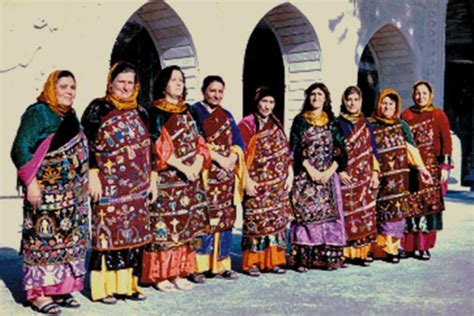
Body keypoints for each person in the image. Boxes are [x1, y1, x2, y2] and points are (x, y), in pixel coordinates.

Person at [11, 70, 88, 314]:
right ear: (52, 89)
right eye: (63, 86)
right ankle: (38, 294)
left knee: (66, 239)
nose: (69, 91)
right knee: (42, 240)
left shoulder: (71, 116)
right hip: (44, 191)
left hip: (70, 194)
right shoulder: (39, 112)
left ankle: (60, 289)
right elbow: (20, 148)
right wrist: (31, 182)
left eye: (72, 87)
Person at [82, 62, 155, 304]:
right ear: (111, 83)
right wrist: (92, 173)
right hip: (108, 184)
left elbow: (150, 148)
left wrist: (152, 179)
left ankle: (128, 285)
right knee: (107, 234)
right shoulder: (98, 108)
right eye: (120, 82)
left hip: (137, 185)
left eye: (130, 82)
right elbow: (87, 143)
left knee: (134, 235)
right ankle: (105, 288)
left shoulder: (141, 111)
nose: (125, 87)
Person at [141, 65, 210, 292]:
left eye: (181, 80)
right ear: (163, 84)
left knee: (185, 228)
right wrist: (181, 165)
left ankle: (180, 271)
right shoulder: (156, 112)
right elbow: (157, 144)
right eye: (173, 80)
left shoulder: (188, 111)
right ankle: (161, 275)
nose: (178, 84)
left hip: (190, 179)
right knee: (164, 228)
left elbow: (201, 140)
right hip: (168, 177)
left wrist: (197, 165)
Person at [189, 76, 245, 282]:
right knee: (203, 219)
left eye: (220, 91)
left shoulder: (227, 115)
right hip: (205, 175)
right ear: (204, 91)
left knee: (225, 220)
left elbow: (238, 142)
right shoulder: (194, 112)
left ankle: (222, 264)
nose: (217, 95)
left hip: (226, 177)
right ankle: (198, 266)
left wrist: (230, 161)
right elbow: (195, 141)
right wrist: (219, 160)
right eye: (212, 91)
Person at [288, 83, 348, 272]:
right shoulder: (300, 121)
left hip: (329, 176)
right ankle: (304, 259)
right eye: (312, 94)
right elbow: (295, 149)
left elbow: (341, 150)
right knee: (305, 216)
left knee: (329, 218)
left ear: (326, 98)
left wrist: (329, 171)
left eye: (319, 94)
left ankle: (327, 258)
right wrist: (310, 170)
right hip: (306, 175)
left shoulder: (333, 121)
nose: (315, 97)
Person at [368, 89, 432, 263]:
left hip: (398, 179)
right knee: (376, 212)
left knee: (396, 213)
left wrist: (421, 168)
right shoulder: (370, 125)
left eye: (391, 103)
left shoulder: (401, 125)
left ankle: (392, 249)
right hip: (378, 176)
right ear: (378, 104)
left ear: (396, 106)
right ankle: (377, 248)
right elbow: (367, 151)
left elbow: (411, 149)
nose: (387, 107)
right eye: (384, 103)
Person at [238, 86, 292, 277]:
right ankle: (252, 262)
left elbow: (286, 151)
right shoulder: (247, 124)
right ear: (257, 102)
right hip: (256, 183)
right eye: (264, 101)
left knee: (276, 222)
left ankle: (273, 261)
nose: (267, 106)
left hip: (277, 185)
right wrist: (247, 180)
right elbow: (240, 155)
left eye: (271, 102)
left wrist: (289, 174)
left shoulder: (276, 123)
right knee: (256, 222)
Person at [400, 81, 453, 260]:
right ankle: (408, 246)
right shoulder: (406, 115)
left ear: (430, 95)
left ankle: (424, 246)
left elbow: (446, 140)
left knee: (428, 207)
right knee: (411, 207)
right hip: (411, 168)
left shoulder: (438, 115)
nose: (420, 97)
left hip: (432, 168)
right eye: (417, 93)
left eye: (424, 93)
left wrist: (445, 167)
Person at [333, 86, 380, 266]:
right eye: (349, 99)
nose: (352, 103)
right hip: (346, 174)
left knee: (365, 211)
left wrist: (375, 173)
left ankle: (361, 252)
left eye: (355, 100)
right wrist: (340, 170)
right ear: (344, 101)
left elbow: (373, 149)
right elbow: (333, 149)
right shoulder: (338, 123)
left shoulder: (366, 123)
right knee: (345, 212)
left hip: (364, 175)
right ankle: (344, 252)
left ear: (360, 102)